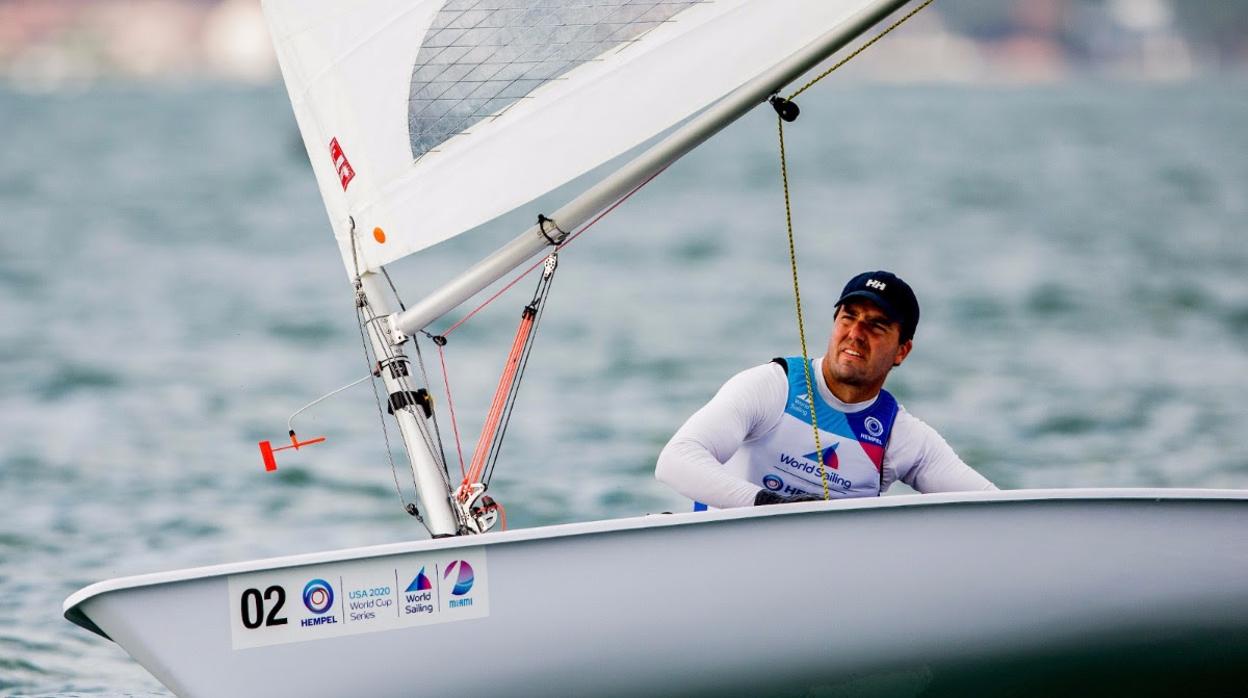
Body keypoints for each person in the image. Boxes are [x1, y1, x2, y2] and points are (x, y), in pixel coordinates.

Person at [656, 270, 995, 508]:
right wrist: (767, 504)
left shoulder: (900, 436)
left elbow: (993, 508)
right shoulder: (772, 387)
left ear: (902, 350)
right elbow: (674, 461)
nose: (856, 333)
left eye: (876, 325)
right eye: (849, 316)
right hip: (726, 559)